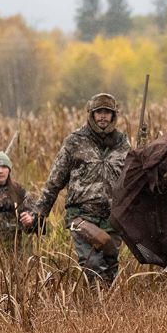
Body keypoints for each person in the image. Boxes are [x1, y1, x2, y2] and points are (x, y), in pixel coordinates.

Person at [33, 93, 130, 286]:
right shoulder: (75, 141)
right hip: (82, 217)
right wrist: (40, 213)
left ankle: (106, 312)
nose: (103, 116)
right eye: (98, 112)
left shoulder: (123, 144)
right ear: (91, 114)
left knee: (111, 268)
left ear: (113, 116)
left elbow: (133, 181)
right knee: (93, 265)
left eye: (107, 113)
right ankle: (96, 307)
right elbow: (55, 181)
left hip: (113, 218)